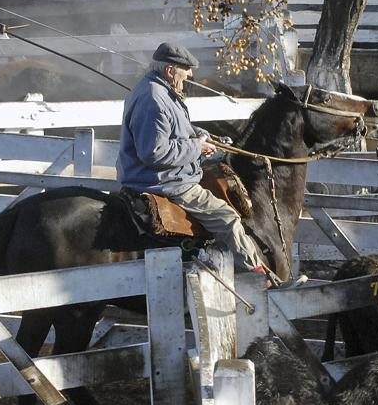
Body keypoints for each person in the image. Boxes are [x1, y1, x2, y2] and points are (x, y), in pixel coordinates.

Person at [117, 42, 299, 287]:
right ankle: (260, 280)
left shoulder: (159, 90)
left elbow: (178, 128)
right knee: (227, 218)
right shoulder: (154, 99)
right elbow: (154, 153)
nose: (190, 74)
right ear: (171, 70)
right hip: (164, 181)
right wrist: (197, 148)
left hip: (166, 174)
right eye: (186, 69)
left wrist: (202, 135)